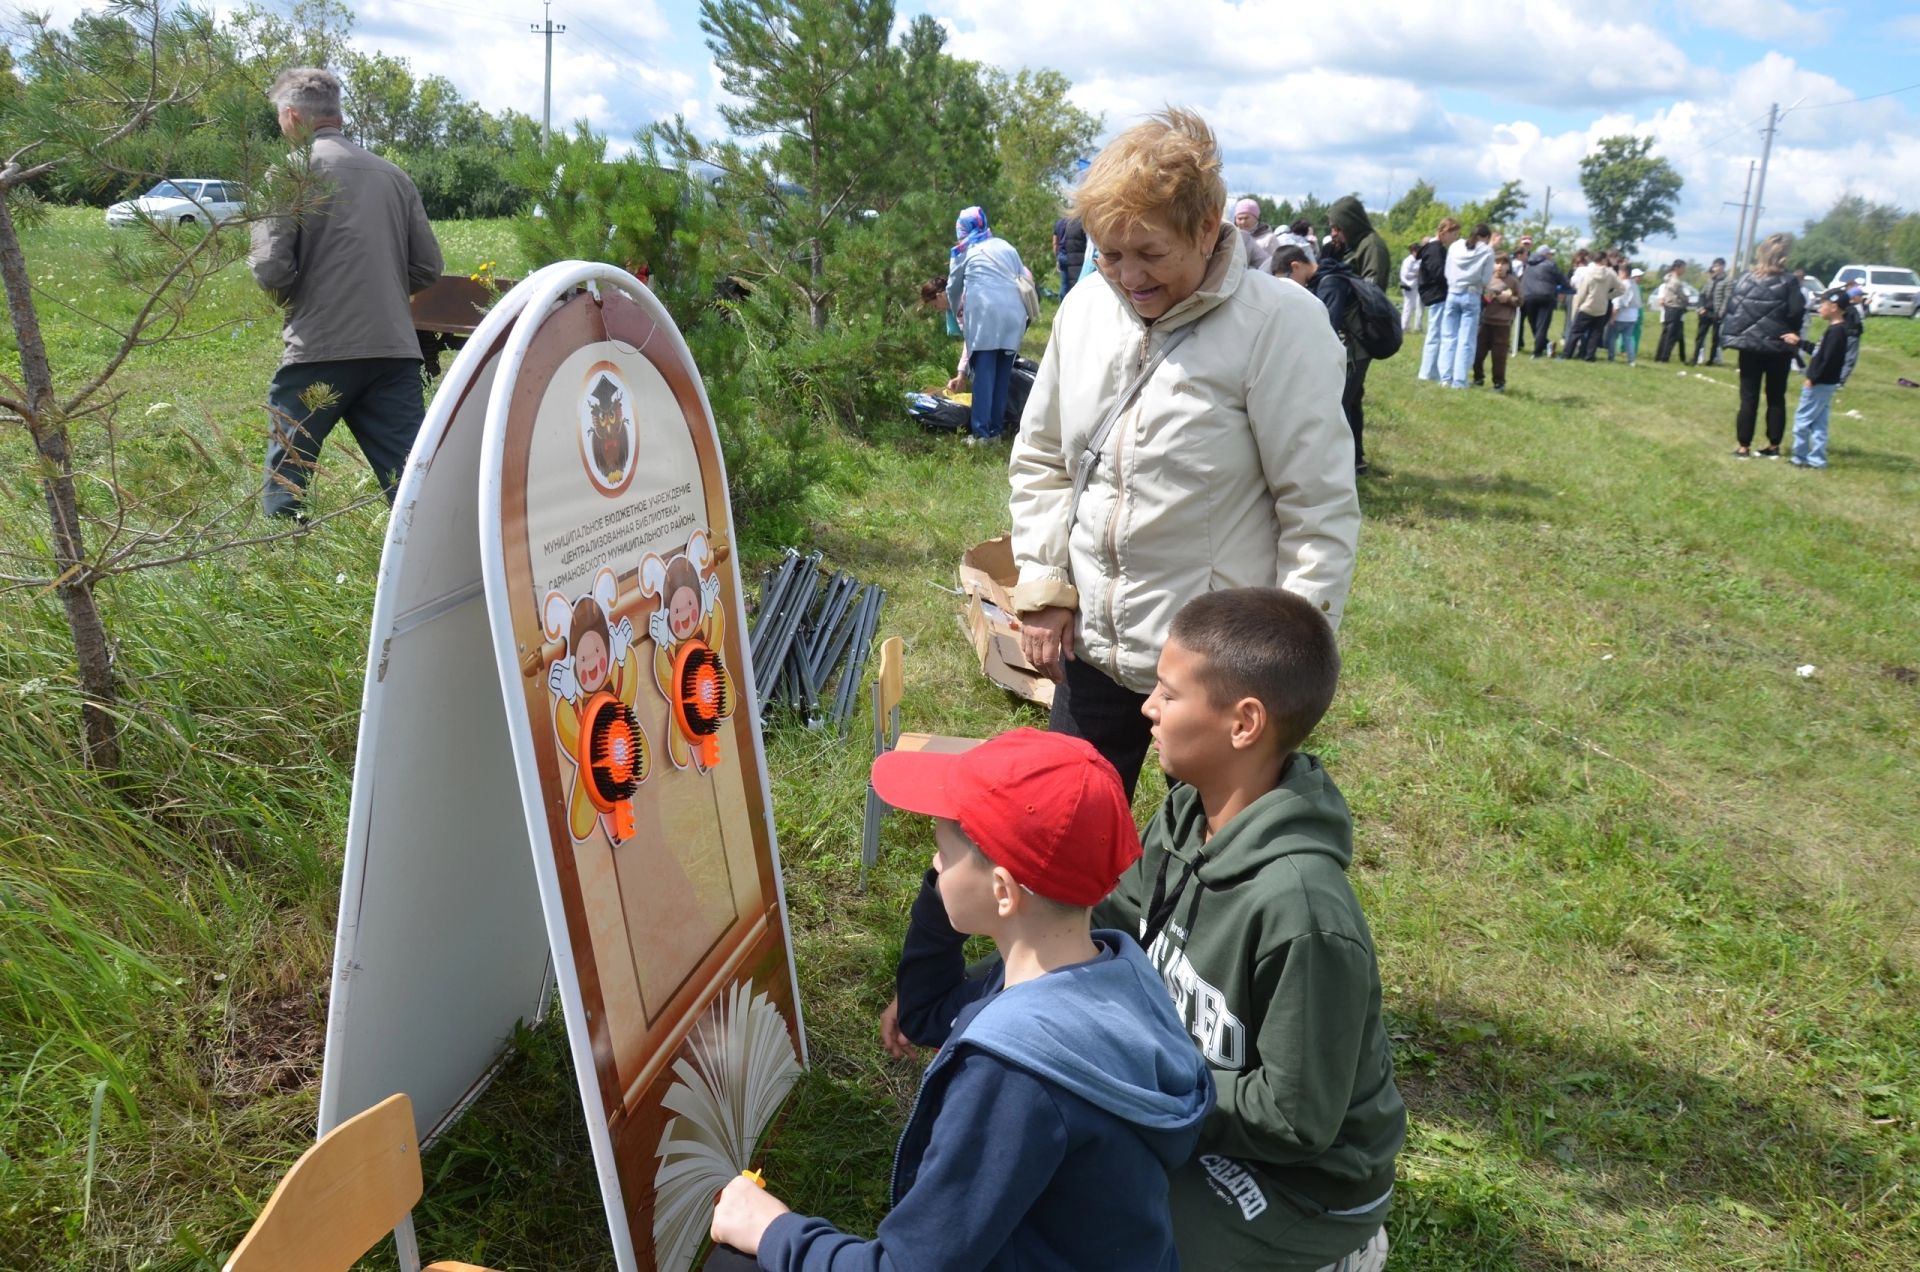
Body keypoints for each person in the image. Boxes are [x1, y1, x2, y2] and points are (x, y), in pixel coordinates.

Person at [714, 729, 1213, 1271]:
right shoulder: (1107, 970)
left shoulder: (1013, 1076)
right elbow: (926, 1013)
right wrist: (943, 894)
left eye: (942, 853)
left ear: (1003, 891)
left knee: (731, 1263)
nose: (933, 862)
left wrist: (772, 1229)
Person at [1008, 108, 1359, 797]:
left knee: (1204, 876)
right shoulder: (1083, 310)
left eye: (1150, 253)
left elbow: (1316, 512)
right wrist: (1045, 589)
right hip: (1091, 655)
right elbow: (1044, 458)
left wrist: (1275, 677)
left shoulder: (1279, 325)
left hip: (1213, 683)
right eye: (1109, 253)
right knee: (1062, 842)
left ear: (1207, 227)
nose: (1127, 276)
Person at [1098, 587, 1404, 1272]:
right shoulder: (1183, 816)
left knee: (1122, 1241)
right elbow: (1112, 927)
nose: (1148, 708)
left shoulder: (1304, 913)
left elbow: (1296, 1119)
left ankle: (1348, 1257)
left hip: (1305, 1186)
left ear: (1244, 724)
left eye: (1169, 696)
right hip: (1194, 1108)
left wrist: (1134, 1085)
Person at [250, 67, 443, 519]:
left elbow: (270, 267)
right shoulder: (395, 177)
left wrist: (304, 297)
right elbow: (428, 267)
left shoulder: (289, 175)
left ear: (293, 116)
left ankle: (282, 563)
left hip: (318, 350)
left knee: (287, 480)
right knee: (413, 486)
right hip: (393, 353)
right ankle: (430, 575)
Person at [1276, 245, 1373, 471]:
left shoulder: (1329, 282)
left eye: (1288, 280)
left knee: (1337, 406)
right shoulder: (1329, 275)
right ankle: (1356, 460)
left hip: (1352, 353)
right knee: (1352, 402)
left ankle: (1339, 467)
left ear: (1296, 267)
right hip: (1358, 350)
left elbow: (1328, 326)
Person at [948, 206, 1030, 443]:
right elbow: (1022, 276)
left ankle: (981, 433)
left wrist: (956, 313)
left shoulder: (964, 250)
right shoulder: (1006, 247)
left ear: (964, 229)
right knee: (1002, 372)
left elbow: (953, 287)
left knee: (983, 373)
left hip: (986, 316)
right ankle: (995, 430)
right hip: (1014, 316)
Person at [1722, 232, 1806, 459]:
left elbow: (1734, 309)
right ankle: (1774, 445)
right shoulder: (1789, 282)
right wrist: (1790, 330)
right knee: (1776, 396)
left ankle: (1743, 446)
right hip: (1778, 346)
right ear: (1783, 257)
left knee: (1748, 397)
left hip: (1750, 346)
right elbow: (1796, 311)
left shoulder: (1745, 278)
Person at [1789, 288, 1851, 469]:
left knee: (1802, 421)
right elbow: (1819, 353)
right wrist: (1799, 342)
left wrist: (1812, 378)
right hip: (1826, 383)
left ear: (1834, 307)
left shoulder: (1837, 332)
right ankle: (1817, 460)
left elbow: (1828, 360)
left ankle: (1799, 458)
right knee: (1819, 423)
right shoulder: (1834, 330)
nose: (1819, 308)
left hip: (1819, 383)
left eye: (1822, 304)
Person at [1436, 222, 1496, 388]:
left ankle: (1445, 378)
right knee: (1466, 340)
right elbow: (1485, 279)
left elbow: (1447, 271)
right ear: (1485, 237)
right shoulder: (1486, 251)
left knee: (1448, 337)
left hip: (1453, 292)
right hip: (1471, 294)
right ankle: (1460, 380)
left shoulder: (1455, 246)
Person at [1414, 218, 1459, 380]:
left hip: (1435, 294)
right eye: (1454, 234)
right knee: (1435, 334)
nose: (1455, 237)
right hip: (1437, 295)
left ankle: (1431, 371)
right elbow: (1438, 273)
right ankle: (1426, 372)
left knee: (1437, 334)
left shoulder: (1435, 248)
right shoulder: (1435, 250)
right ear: (1444, 232)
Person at [1473, 253, 1520, 391]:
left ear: (1508, 266)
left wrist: (1509, 299)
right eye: (1497, 262)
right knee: (1478, 352)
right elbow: (1479, 298)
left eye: (1503, 263)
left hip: (1503, 324)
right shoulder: (1487, 279)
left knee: (1499, 356)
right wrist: (1486, 297)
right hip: (1485, 321)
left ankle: (1499, 383)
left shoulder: (1513, 281)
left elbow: (1521, 300)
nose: (1500, 266)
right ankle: (1478, 377)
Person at [1565, 251, 1623, 362]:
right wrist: (1608, 296)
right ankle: (1589, 356)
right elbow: (1622, 289)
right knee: (1595, 333)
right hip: (1601, 307)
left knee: (1575, 332)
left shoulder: (1588, 272)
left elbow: (1582, 292)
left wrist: (1577, 306)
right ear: (1604, 260)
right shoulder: (1610, 273)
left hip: (1587, 306)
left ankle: (1567, 354)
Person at [1520, 245, 1562, 357]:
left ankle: (1545, 344)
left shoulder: (1528, 264)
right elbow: (1561, 279)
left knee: (1534, 324)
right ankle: (1537, 352)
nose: (1551, 256)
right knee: (1542, 325)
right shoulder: (1551, 265)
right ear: (1545, 255)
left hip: (1528, 296)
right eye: (1550, 254)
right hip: (1546, 296)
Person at [1695, 258, 1732, 365]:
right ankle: (1695, 358)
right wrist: (1700, 307)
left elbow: (1727, 298)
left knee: (1715, 338)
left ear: (1722, 266)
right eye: (1714, 266)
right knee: (1700, 336)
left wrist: (1720, 313)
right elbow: (1702, 294)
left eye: (1716, 266)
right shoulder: (1710, 279)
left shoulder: (1727, 280)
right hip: (1705, 311)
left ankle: (1711, 359)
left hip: (1716, 313)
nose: (1714, 268)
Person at [1653, 261, 1690, 363]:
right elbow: (1682, 295)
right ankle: (1664, 357)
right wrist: (1686, 301)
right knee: (1671, 335)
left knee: (1665, 333)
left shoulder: (1668, 278)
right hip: (1675, 308)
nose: (1684, 270)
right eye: (1683, 268)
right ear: (1677, 268)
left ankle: (1659, 355)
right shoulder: (1675, 281)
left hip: (1668, 308)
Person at [1233, 198, 1281, 274]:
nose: (1243, 222)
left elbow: (1277, 263)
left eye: (1246, 218)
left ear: (1256, 218)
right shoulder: (1232, 237)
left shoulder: (1269, 238)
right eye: (1239, 218)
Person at [1607, 264, 1642, 365]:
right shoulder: (1635, 285)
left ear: (1623, 273)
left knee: (1613, 337)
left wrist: (1613, 318)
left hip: (1621, 316)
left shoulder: (1621, 285)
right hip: (1632, 317)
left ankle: (1611, 358)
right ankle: (1631, 360)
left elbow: (1617, 303)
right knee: (1628, 339)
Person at [1053, 213, 1088, 298]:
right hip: (1074, 255)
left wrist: (1057, 258)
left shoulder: (1058, 223)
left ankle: (1063, 303)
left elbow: (1055, 243)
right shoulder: (1077, 222)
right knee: (1076, 282)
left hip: (1062, 255)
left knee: (1064, 284)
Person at [1397, 244, 1424, 333]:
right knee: (1408, 306)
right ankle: (1404, 326)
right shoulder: (1408, 261)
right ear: (1414, 251)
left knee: (1419, 306)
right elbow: (1404, 275)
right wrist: (1415, 275)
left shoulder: (1419, 260)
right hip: (1409, 286)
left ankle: (1418, 326)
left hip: (1418, 285)